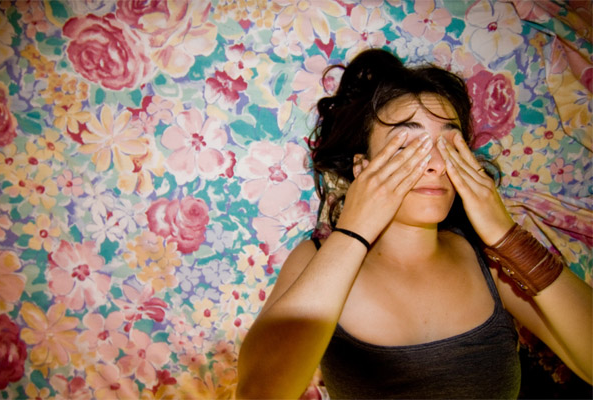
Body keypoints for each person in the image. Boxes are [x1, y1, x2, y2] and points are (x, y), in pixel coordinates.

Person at [236, 49, 592, 399]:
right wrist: (353, 232)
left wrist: (507, 237)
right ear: (362, 168)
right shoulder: (314, 259)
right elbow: (259, 392)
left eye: (450, 145)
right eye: (406, 146)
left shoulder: (491, 262)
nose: (436, 163)